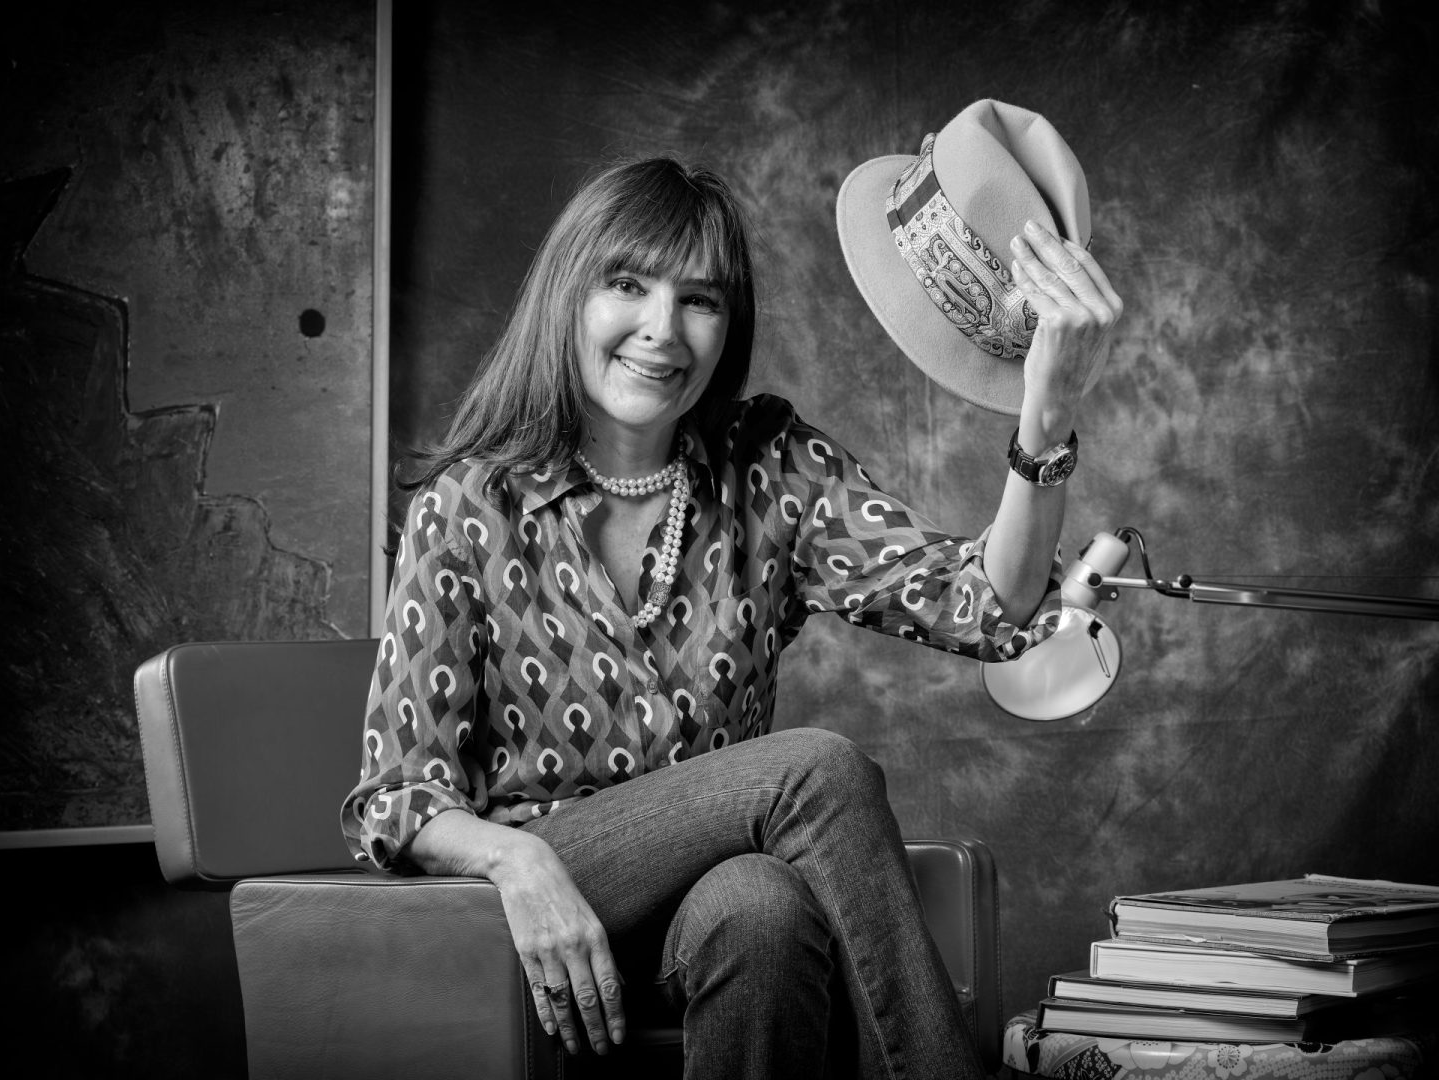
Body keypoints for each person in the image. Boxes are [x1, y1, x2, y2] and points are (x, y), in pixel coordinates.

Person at [342, 100, 1122, 1080]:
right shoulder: (470, 505)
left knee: (765, 908)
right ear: (568, 297)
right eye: (628, 285)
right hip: (528, 909)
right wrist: (518, 860)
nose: (662, 331)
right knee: (816, 770)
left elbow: (986, 609)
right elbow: (396, 799)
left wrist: (1045, 418)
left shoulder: (769, 469)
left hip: (700, 915)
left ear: (728, 326)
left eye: (700, 300)